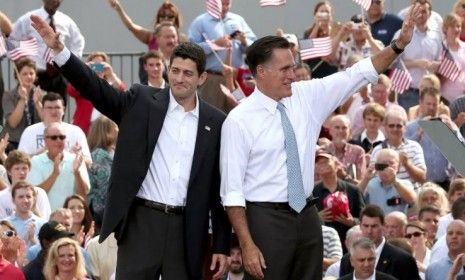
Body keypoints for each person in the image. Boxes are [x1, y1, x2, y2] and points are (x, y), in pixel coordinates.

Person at [220, 5, 421, 279]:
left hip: (306, 216)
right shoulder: (238, 120)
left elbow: (357, 74)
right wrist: (246, 243)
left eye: (293, 66)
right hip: (265, 220)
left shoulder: (306, 96)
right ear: (261, 73)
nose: (294, 74)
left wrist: (397, 46)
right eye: (285, 69)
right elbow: (231, 191)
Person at [31, 15, 231, 280]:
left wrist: (220, 244)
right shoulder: (142, 101)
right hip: (141, 223)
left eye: (188, 73)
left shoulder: (216, 122)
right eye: (175, 71)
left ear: (202, 77)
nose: (179, 79)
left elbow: (220, 188)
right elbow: (96, 89)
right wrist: (60, 52)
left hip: (188, 230)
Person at [9, 0, 85, 105]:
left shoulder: (65, 20)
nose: (55, 2)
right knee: (36, 110)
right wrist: (21, 61)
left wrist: (70, 62)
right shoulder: (29, 18)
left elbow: (78, 41)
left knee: (58, 108)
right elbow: (11, 36)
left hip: (59, 74)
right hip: (36, 75)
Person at [189, 0, 256, 112]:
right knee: (211, 117)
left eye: (227, 4)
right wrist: (214, 44)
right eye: (222, 3)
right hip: (212, 79)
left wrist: (245, 41)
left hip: (236, 79)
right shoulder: (200, 22)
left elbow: (255, 48)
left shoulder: (238, 21)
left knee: (238, 114)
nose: (224, 7)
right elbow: (191, 50)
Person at [338, 205, 420, 280]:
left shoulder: (402, 260)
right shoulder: (347, 260)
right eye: (366, 226)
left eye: (374, 226)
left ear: (384, 226)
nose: (369, 231)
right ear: (360, 226)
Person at [27, 122, 90, 210]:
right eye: (54, 138)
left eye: (62, 137)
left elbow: (84, 193)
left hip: (70, 218)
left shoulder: (76, 160)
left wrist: (77, 173)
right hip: (46, 219)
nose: (58, 140)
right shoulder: (35, 161)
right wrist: (55, 174)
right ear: (45, 141)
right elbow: (34, 194)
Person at [393, 0, 442, 111]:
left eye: (424, 11)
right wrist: (416, 63)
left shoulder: (436, 37)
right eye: (417, 11)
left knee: (429, 126)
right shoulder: (401, 35)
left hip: (431, 96)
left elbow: (440, 62)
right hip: (408, 92)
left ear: (430, 14)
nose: (421, 14)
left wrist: (435, 65)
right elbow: (393, 62)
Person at [18, 92, 91, 162]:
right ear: (43, 110)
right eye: (49, 108)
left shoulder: (76, 131)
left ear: (63, 110)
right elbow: (19, 161)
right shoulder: (30, 131)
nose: (53, 111)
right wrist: (42, 153)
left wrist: (75, 156)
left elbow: (89, 162)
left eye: (57, 107)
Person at [68, 51, 125, 135]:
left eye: (100, 65)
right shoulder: (84, 84)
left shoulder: (109, 85)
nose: (97, 68)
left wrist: (111, 75)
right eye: (94, 65)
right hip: (85, 128)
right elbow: (71, 90)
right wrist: (83, 70)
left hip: (106, 130)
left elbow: (122, 92)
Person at [359, 148, 416, 215]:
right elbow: (355, 196)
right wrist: (366, 179)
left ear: (398, 166)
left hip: (396, 223)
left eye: (391, 163)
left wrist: (394, 182)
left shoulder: (405, 184)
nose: (387, 168)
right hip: (375, 223)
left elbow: (412, 201)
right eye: (383, 164)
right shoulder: (370, 183)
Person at [3, 57, 43, 150]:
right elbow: (13, 123)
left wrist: (37, 103)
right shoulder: (8, 95)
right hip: (14, 142)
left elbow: (47, 121)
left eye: (31, 73)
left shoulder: (41, 93)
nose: (29, 77)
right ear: (17, 76)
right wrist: (22, 100)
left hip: (35, 141)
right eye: (24, 74)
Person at [86, 116, 118, 229]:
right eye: (115, 126)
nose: (118, 129)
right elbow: (105, 185)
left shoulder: (112, 152)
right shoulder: (99, 155)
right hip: (101, 212)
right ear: (107, 131)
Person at [0, 150, 51, 219]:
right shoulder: (2, 196)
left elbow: (45, 222)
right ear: (9, 172)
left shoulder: (40, 193)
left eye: (24, 168)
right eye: (17, 169)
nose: (21, 172)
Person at [4, 181, 47, 248]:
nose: (25, 200)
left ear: (34, 199)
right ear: (13, 200)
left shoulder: (43, 224)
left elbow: (47, 253)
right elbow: (6, 253)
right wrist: (26, 238)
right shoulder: (5, 225)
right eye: (21, 197)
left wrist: (33, 239)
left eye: (28, 196)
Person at [440, 13, 465, 103]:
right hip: (444, 99)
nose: (457, 29)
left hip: (463, 98)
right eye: (453, 26)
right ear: (446, 28)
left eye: (459, 26)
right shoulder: (440, 48)